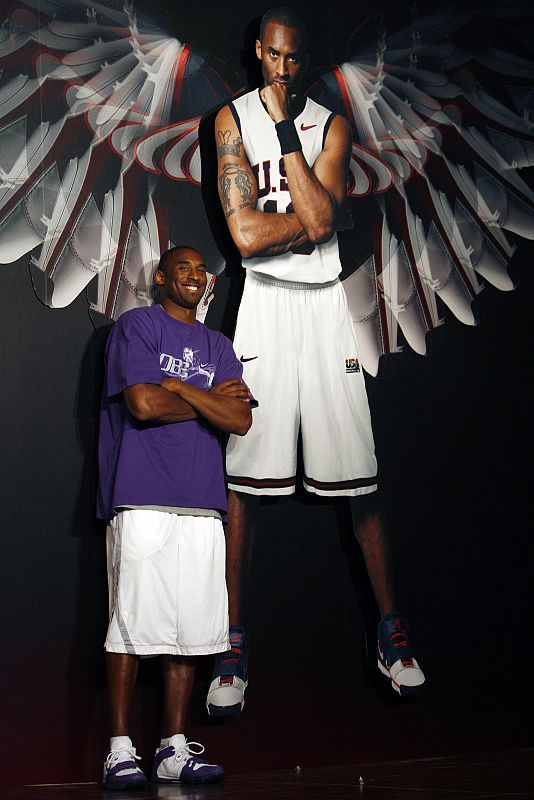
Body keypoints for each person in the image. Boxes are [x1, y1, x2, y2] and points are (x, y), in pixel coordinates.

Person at [206, 6, 425, 717]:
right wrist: (298, 221)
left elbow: (325, 223)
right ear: (257, 54)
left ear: (304, 60)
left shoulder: (330, 124)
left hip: (324, 302)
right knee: (242, 481)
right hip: (264, 303)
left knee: (361, 474)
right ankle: (232, 645)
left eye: (294, 59)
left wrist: (283, 145)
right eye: (272, 56)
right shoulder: (228, 120)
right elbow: (242, 235)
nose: (282, 69)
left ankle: (392, 636)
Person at [97, 245, 253, 789]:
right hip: (140, 495)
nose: (194, 274)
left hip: (203, 501)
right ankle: (119, 750)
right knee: (130, 624)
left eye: (200, 269)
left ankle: (172, 749)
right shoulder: (136, 326)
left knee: (189, 632)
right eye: (181, 267)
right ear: (161, 277)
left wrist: (183, 389)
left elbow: (239, 419)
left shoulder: (219, 345)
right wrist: (210, 398)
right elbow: (141, 404)